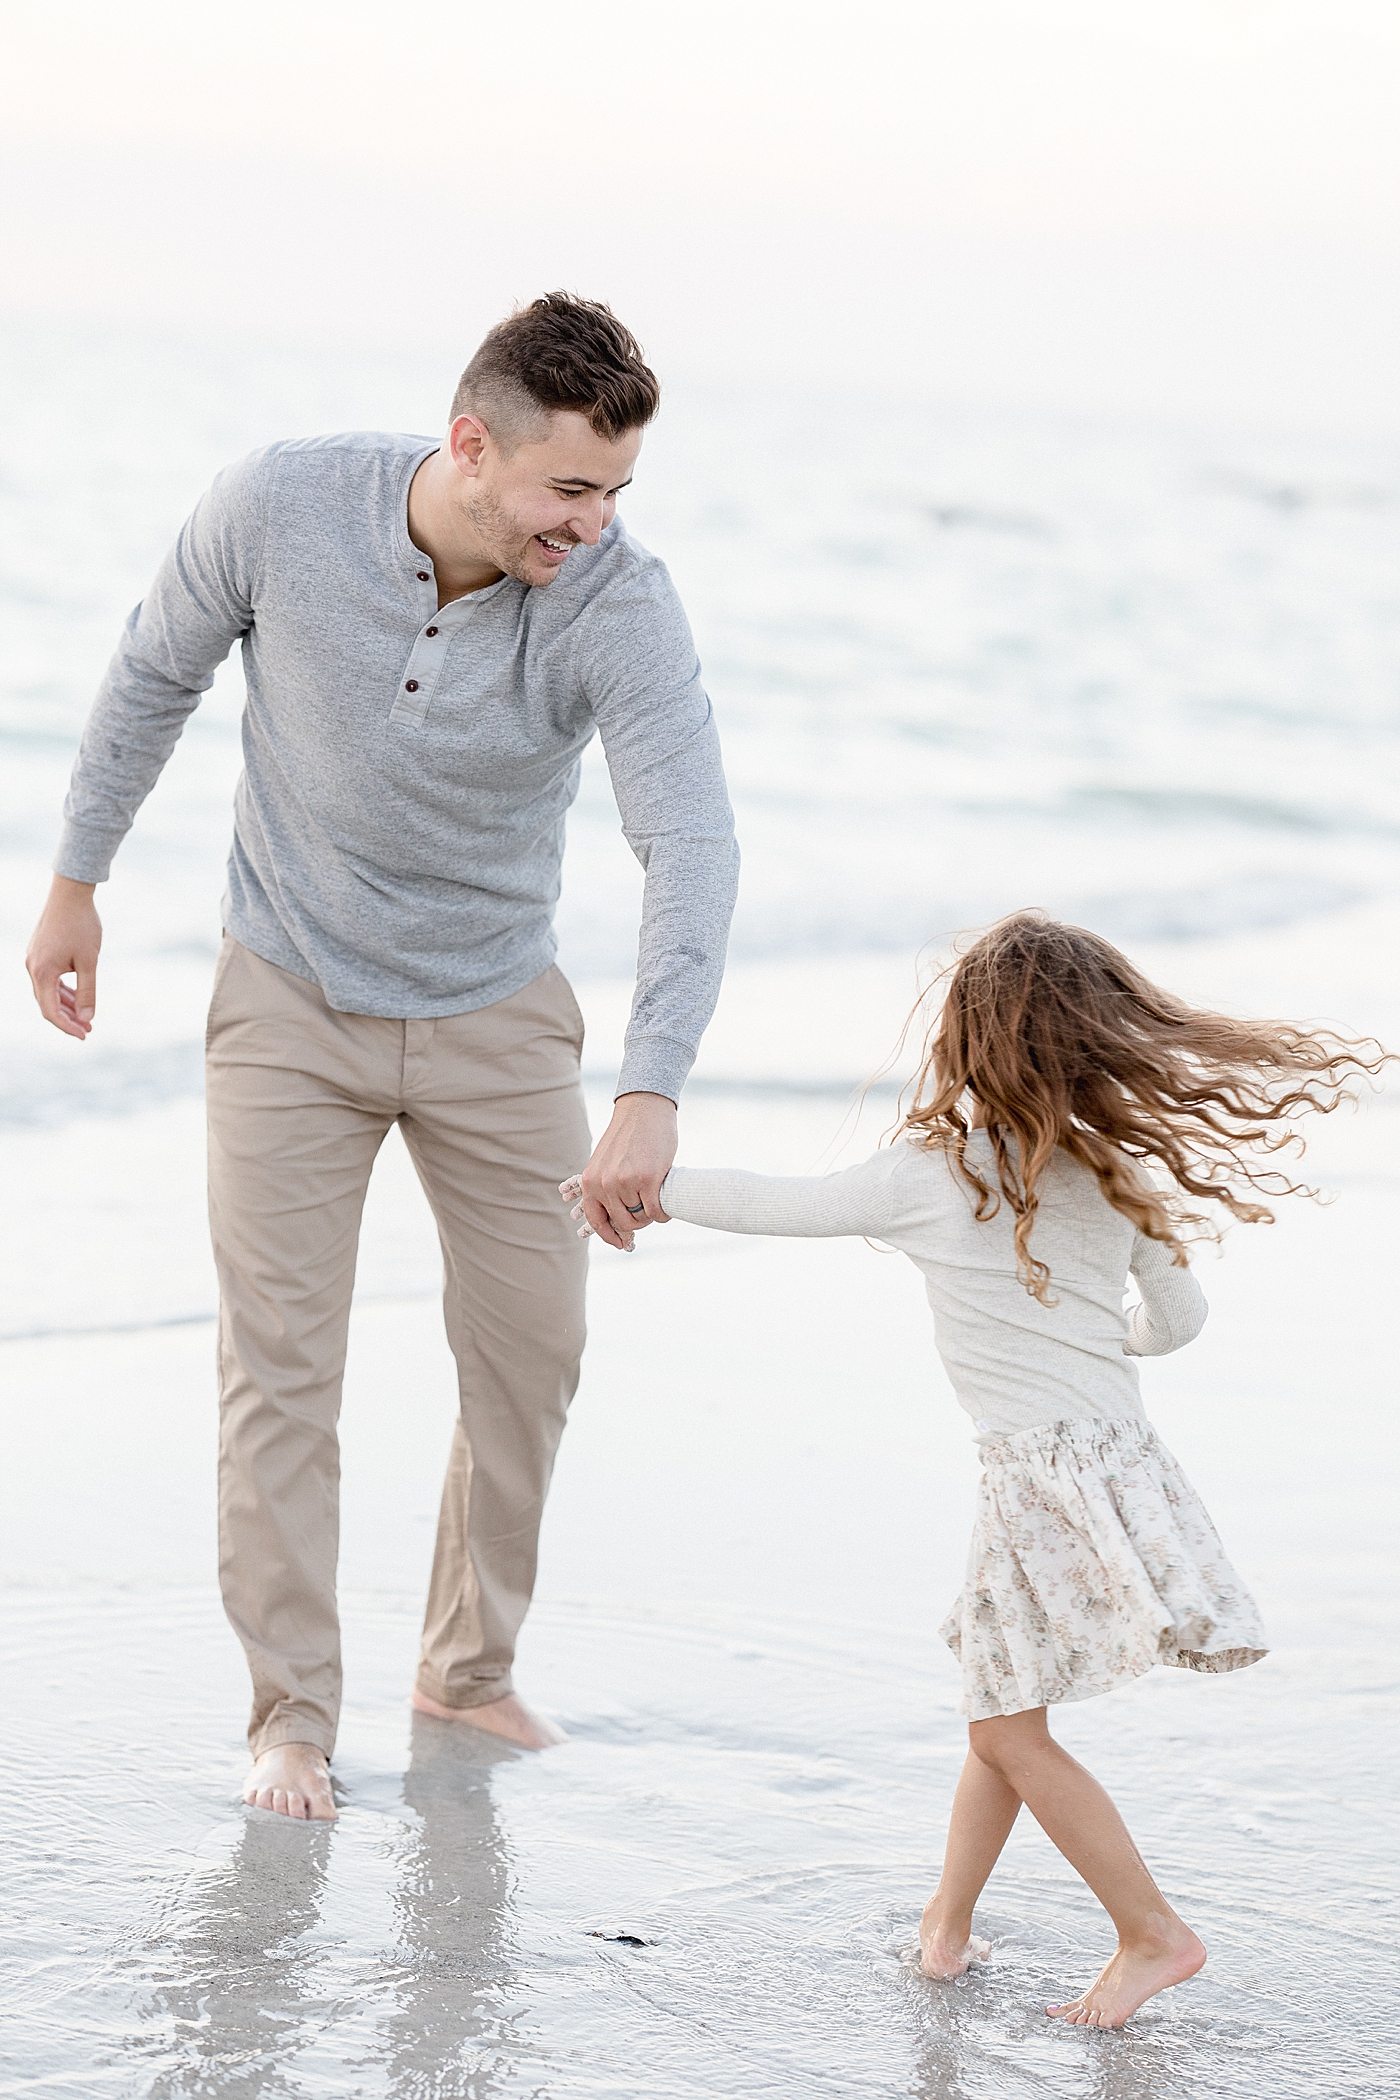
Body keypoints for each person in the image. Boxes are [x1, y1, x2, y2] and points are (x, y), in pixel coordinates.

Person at [25, 294, 739, 1822]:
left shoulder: (618, 601)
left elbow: (688, 838)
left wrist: (650, 1085)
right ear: (470, 445)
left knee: (533, 1354)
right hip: (287, 991)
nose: (593, 523)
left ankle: (464, 1673)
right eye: (568, 488)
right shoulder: (283, 502)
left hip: (496, 1008)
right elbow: (156, 669)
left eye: (616, 490)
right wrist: (76, 880)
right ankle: (289, 1713)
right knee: (282, 1365)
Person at [564, 910, 1387, 2026]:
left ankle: (1151, 1934)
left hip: (1034, 1479)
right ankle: (943, 1931)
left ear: (964, 1045)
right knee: (1002, 1708)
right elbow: (1178, 1322)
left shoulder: (929, 1173)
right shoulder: (1116, 1170)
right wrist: (1106, 1351)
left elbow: (780, 1204)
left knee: (1005, 1725)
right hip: (1116, 1464)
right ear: (1098, 1041)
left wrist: (645, 1189)